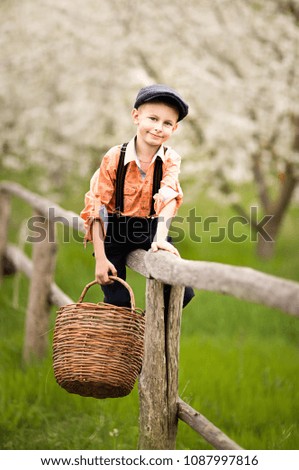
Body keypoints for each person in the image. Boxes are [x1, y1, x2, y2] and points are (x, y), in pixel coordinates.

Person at [80, 84, 194, 311]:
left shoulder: (171, 159)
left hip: (150, 229)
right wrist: (101, 258)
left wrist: (160, 239)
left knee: (183, 291)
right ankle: (121, 333)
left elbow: (169, 197)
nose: (158, 128)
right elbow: (98, 206)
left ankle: (149, 328)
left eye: (167, 123)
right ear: (136, 116)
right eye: (152, 118)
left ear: (175, 127)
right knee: (118, 301)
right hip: (114, 230)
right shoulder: (115, 156)